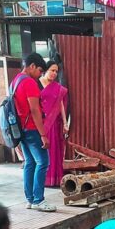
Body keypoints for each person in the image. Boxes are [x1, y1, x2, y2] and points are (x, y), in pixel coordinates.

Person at [12, 52, 55, 212]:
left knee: (30, 162)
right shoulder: (29, 82)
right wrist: (43, 134)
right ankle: (39, 200)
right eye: (39, 71)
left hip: (21, 129)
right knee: (43, 162)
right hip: (31, 128)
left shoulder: (15, 81)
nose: (40, 75)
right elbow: (35, 109)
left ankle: (30, 199)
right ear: (32, 66)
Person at [39, 60, 69, 188]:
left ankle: (55, 179)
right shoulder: (37, 83)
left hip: (55, 123)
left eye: (56, 71)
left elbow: (60, 104)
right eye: (52, 70)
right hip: (42, 123)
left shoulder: (57, 87)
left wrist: (65, 123)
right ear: (46, 70)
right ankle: (44, 179)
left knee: (56, 151)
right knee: (44, 152)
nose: (54, 73)